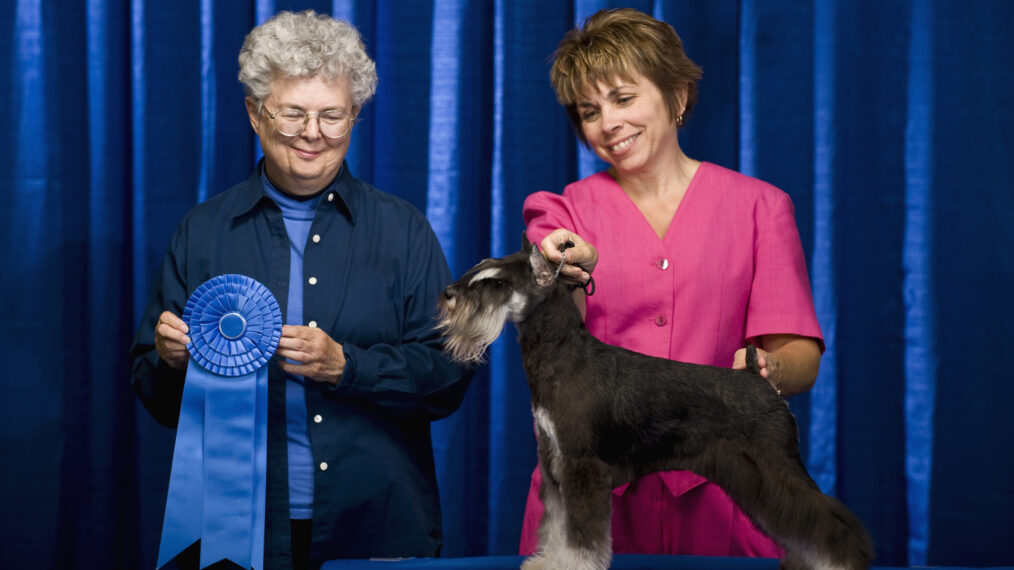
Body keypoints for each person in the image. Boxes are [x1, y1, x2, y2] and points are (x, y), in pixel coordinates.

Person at [129, 10, 472, 569]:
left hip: (376, 528)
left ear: (354, 116)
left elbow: (450, 375)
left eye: (332, 116)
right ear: (255, 114)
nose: (313, 134)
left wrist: (347, 366)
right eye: (293, 114)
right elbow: (154, 395)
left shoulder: (403, 229)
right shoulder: (202, 231)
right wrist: (171, 360)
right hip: (234, 537)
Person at [519, 8, 824, 558]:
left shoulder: (762, 208)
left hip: (725, 499)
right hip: (594, 503)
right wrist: (565, 268)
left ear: (678, 96)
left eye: (623, 98)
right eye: (589, 111)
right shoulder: (559, 211)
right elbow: (549, 304)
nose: (607, 123)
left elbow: (799, 355)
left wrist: (766, 369)